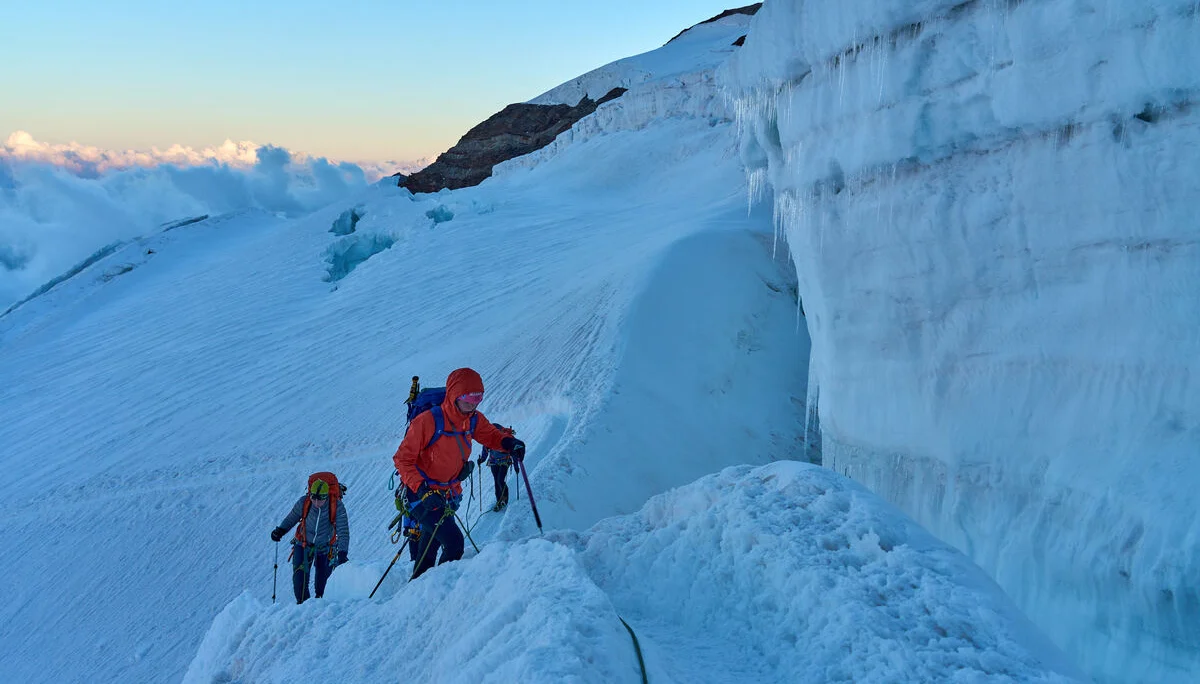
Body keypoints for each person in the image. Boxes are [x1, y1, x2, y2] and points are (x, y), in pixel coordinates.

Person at [393, 367, 525, 579]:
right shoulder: (428, 421)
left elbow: (491, 436)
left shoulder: (472, 419)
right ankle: (440, 589)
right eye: (469, 399)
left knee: (431, 544)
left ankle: (416, 589)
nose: (473, 404)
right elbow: (402, 459)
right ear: (454, 396)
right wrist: (423, 489)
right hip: (420, 495)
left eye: (478, 399)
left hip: (446, 495)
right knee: (454, 542)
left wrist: (510, 443)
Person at [271, 476, 350, 604]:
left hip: (326, 547)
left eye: (321, 498)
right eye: (313, 497)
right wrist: (280, 530)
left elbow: (343, 531)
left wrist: (342, 553)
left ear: (327, 496)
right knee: (299, 582)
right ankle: (303, 608)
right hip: (302, 544)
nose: (316, 502)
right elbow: (292, 518)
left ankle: (320, 610)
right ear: (310, 494)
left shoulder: (336, 505)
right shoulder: (304, 502)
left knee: (323, 585)